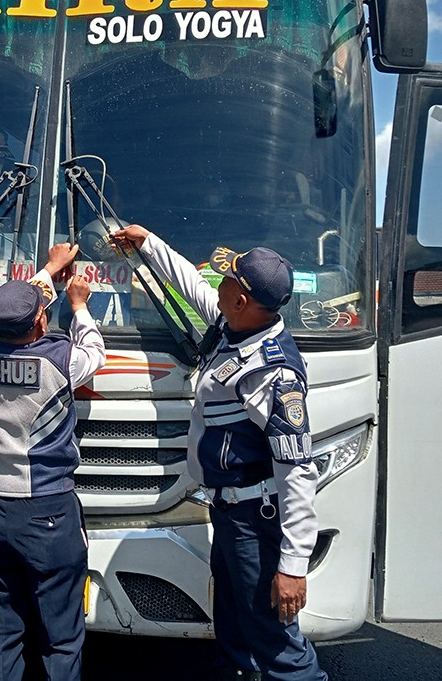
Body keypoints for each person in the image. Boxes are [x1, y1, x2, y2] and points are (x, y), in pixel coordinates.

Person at [110, 225, 328, 681]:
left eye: (227, 278)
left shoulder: (271, 372)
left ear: (241, 299)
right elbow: (190, 282)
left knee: (276, 644)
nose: (217, 280)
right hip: (231, 515)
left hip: (257, 522)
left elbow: (297, 472)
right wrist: (148, 242)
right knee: (234, 634)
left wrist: (292, 566)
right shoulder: (235, 326)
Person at [0, 242, 105, 681]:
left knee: (4, 630)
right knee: (61, 636)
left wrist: (48, 270)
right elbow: (95, 351)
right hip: (47, 511)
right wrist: (80, 305)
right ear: (42, 321)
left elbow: (14, 312)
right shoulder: (58, 362)